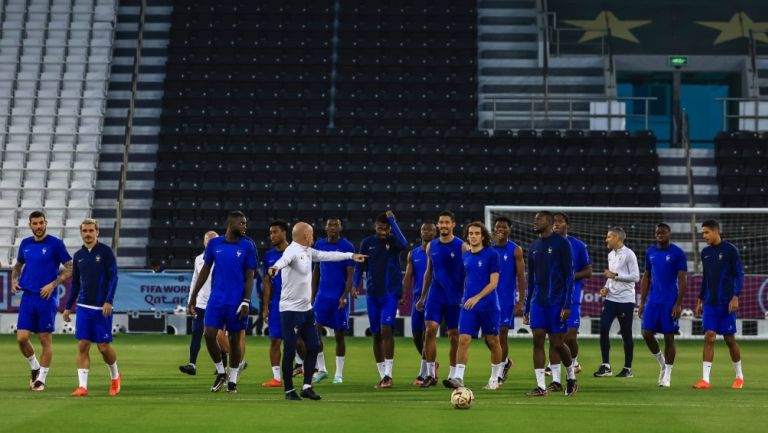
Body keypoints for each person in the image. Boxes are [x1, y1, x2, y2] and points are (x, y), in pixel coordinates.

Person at [268, 222, 366, 400]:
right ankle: (289, 390)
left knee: (313, 346)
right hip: (290, 311)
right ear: (305, 236)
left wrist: (351, 255)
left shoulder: (308, 251)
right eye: (311, 235)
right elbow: (283, 261)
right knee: (290, 350)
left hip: (306, 310)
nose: (314, 238)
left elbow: (328, 255)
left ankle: (306, 386)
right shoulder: (292, 251)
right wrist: (275, 268)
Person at [188, 211, 257, 393]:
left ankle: (233, 378)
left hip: (236, 301)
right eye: (241, 223)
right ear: (231, 223)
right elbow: (204, 271)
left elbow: (250, 277)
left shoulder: (248, 246)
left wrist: (246, 301)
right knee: (209, 335)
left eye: (245, 223)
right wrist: (193, 296)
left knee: (234, 340)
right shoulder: (214, 244)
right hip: (216, 299)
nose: (244, 226)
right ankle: (221, 372)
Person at [11, 210, 73, 391]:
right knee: (22, 338)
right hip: (28, 297)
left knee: (45, 339)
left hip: (46, 298)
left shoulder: (56, 244)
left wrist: (53, 284)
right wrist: (15, 280)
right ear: (29, 225)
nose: (38, 227)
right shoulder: (25, 244)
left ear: (46, 223)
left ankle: (41, 379)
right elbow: (18, 265)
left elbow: (70, 268)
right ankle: (35, 367)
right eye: (35, 223)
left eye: (41, 223)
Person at [62, 219, 121, 396]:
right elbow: (76, 284)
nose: (87, 234)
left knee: (103, 347)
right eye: (84, 231)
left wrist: (108, 300)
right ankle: (82, 386)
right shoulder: (78, 255)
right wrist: (68, 306)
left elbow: (114, 278)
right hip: (84, 307)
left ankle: (115, 376)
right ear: (81, 233)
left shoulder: (105, 252)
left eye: (90, 231)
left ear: (97, 232)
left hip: (102, 307)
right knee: (83, 345)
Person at [524, 211, 578, 397]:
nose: (535, 221)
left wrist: (567, 304)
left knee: (557, 343)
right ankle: (540, 386)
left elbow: (569, 275)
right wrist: (526, 307)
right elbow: (530, 279)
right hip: (538, 301)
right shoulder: (533, 247)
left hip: (557, 302)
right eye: (535, 218)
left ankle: (571, 377)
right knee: (537, 339)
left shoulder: (562, 243)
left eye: (538, 219)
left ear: (549, 222)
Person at [354, 211, 408, 388]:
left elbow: (405, 243)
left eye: (386, 228)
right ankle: (382, 375)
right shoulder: (367, 243)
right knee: (376, 334)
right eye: (381, 227)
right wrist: (354, 285)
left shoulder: (393, 243)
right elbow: (360, 266)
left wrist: (393, 221)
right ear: (375, 227)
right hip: (372, 295)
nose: (383, 231)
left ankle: (389, 374)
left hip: (390, 294)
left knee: (386, 330)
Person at [445, 222, 503, 390]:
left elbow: (494, 283)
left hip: (488, 305)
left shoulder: (492, 255)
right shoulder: (466, 256)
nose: (473, 236)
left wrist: (477, 297)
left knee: (493, 341)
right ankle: (458, 378)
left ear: (483, 236)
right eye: (470, 233)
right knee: (463, 339)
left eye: (477, 233)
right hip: (469, 306)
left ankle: (494, 378)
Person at [415, 210, 468, 388]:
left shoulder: (462, 246)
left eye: (447, 222)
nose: (443, 225)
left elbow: (469, 273)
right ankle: (430, 374)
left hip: (455, 298)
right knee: (430, 331)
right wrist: (422, 297)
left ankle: (453, 376)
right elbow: (428, 272)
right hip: (435, 296)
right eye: (441, 222)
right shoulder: (432, 246)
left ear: (453, 225)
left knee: (454, 337)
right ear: (438, 225)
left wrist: (468, 295)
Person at [693, 220, 744, 389]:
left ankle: (739, 376)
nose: (704, 236)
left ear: (716, 232)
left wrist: (735, 297)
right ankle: (705, 380)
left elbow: (739, 275)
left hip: (725, 302)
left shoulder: (730, 250)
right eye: (703, 233)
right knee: (709, 336)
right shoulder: (705, 252)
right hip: (709, 302)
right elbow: (706, 278)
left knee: (729, 339)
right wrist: (700, 300)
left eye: (706, 232)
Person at [638, 223, 687, 387]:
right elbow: (646, 277)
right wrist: (642, 302)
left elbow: (682, 280)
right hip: (653, 300)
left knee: (669, 337)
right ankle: (662, 363)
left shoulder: (678, 253)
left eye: (663, 232)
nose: (660, 234)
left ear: (669, 234)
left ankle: (667, 375)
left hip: (669, 301)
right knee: (646, 333)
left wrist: (678, 304)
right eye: (657, 232)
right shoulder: (650, 252)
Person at [546, 212, 592, 388]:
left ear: (567, 224)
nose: (555, 224)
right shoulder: (546, 245)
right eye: (553, 222)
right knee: (555, 338)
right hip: (550, 298)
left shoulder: (578, 245)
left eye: (559, 222)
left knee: (570, 337)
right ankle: (556, 379)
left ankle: (573, 363)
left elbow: (588, 270)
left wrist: (571, 276)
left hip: (571, 297)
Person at [180, 231, 232, 376]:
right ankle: (192, 364)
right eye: (207, 241)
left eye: (213, 241)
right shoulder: (198, 259)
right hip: (201, 303)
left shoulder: (223, 258)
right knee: (196, 332)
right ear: (204, 242)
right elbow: (195, 280)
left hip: (217, 302)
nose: (210, 243)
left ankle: (225, 364)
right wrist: (192, 299)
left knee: (217, 335)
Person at [311, 218, 356, 384]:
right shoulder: (319, 245)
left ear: (341, 228)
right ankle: (322, 369)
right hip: (322, 297)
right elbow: (316, 271)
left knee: (339, 335)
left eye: (335, 224)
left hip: (339, 297)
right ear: (325, 227)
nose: (332, 227)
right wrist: (312, 296)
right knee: (314, 331)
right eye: (329, 224)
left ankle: (339, 374)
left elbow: (350, 275)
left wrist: (345, 296)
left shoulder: (347, 247)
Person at [594, 227, 640, 378]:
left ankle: (628, 368)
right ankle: (606, 366)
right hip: (611, 299)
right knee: (603, 328)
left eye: (608, 237)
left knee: (626, 333)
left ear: (617, 238)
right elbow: (610, 277)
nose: (606, 239)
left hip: (626, 300)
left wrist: (615, 275)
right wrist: (605, 288)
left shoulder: (629, 254)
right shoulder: (610, 255)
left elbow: (635, 277)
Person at [491, 216, 525, 384]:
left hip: (505, 299)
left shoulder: (515, 250)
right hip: (488, 298)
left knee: (502, 334)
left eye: (504, 226)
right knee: (489, 337)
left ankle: (498, 373)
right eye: (498, 226)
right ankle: (505, 362)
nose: (500, 229)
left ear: (509, 229)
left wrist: (521, 301)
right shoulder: (487, 249)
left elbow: (521, 277)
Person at [402, 221, 436, 385]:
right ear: (420, 232)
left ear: (435, 232)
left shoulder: (438, 251)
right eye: (424, 229)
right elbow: (408, 276)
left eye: (430, 229)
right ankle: (431, 363)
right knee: (416, 335)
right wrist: (402, 294)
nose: (427, 232)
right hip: (417, 299)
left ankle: (424, 373)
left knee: (428, 335)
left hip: (435, 298)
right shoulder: (413, 253)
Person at [261, 220, 290, 387]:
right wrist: (266, 306)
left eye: (275, 232)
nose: (272, 236)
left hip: (294, 302)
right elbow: (267, 281)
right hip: (277, 302)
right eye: (270, 233)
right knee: (275, 340)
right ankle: (277, 378)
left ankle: (308, 369)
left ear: (284, 233)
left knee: (298, 341)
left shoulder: (295, 252)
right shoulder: (269, 255)